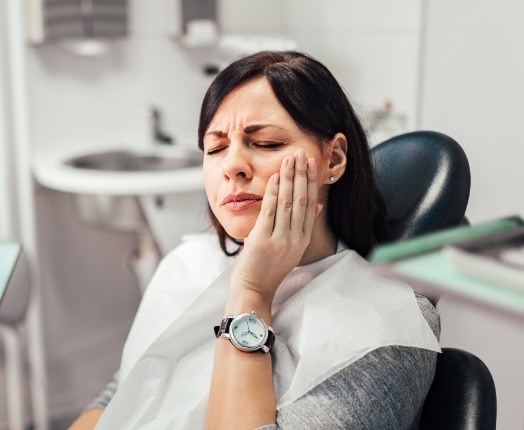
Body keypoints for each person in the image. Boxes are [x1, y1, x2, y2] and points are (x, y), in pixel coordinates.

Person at [70, 51, 440, 430]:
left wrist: (251, 292)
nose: (231, 166)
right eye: (215, 149)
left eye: (265, 143)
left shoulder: (387, 329)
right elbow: (122, 394)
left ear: (333, 159)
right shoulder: (189, 263)